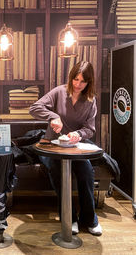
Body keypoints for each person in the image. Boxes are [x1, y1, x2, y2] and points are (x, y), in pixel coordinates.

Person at [29, 61, 102, 236]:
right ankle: (70, 219)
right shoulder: (59, 92)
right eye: (75, 79)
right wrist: (53, 116)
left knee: (86, 171)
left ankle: (90, 218)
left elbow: (90, 129)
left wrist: (79, 134)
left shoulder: (91, 100)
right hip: (52, 146)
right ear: (71, 78)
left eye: (83, 82)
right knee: (58, 171)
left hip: (74, 147)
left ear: (89, 82)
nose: (78, 85)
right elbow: (34, 108)